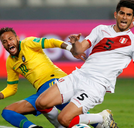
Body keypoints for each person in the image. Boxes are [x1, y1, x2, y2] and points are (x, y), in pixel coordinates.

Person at [35, 0, 134, 128]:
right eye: (122, 13)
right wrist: (76, 42)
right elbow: (79, 50)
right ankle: (95, 120)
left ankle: (100, 118)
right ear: (116, 14)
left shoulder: (131, 41)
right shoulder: (101, 29)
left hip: (95, 85)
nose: (124, 17)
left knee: (64, 119)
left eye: (129, 15)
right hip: (79, 75)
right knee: (41, 103)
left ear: (132, 18)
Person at [0, 27, 100, 128]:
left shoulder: (28, 43)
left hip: (57, 83)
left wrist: (70, 48)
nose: (9, 43)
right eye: (4, 41)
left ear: (17, 38)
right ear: (3, 45)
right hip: (42, 94)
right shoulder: (10, 62)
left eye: (10, 39)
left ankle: (102, 121)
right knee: (8, 112)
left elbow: (51, 42)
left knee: (72, 115)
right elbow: (12, 88)